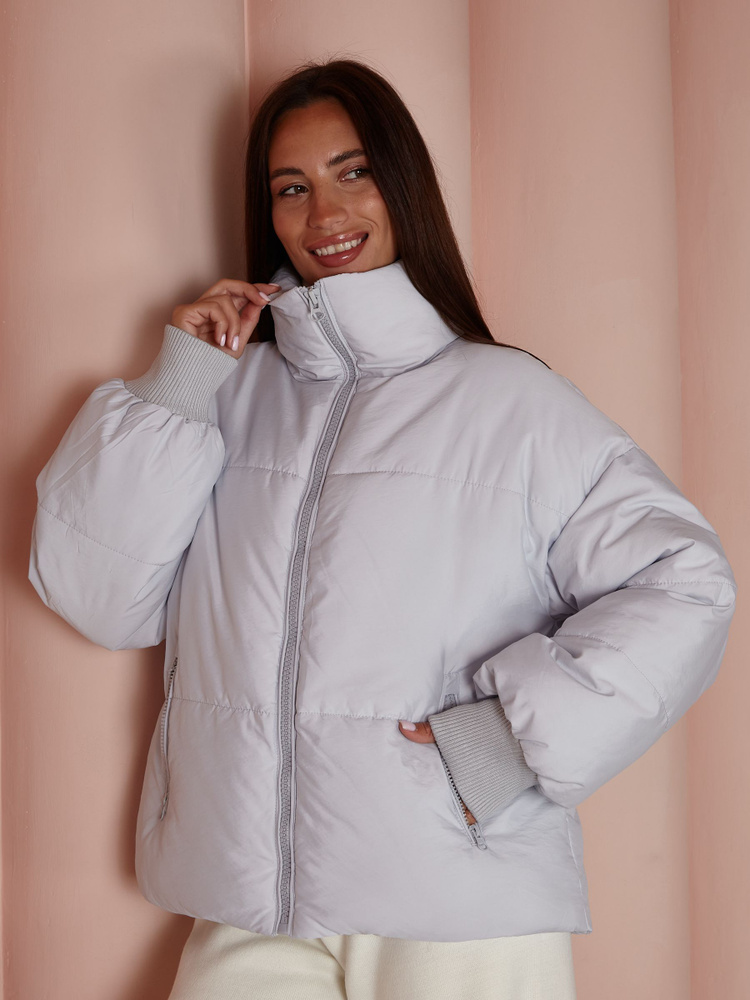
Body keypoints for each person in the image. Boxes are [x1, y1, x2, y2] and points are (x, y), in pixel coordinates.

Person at [27, 57, 736, 1000]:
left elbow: (687, 582)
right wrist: (179, 385)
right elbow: (99, 598)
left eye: (352, 172)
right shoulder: (226, 397)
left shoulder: (512, 402)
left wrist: (506, 742)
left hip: (456, 902)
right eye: (291, 186)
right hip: (251, 895)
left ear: (402, 184)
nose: (324, 212)